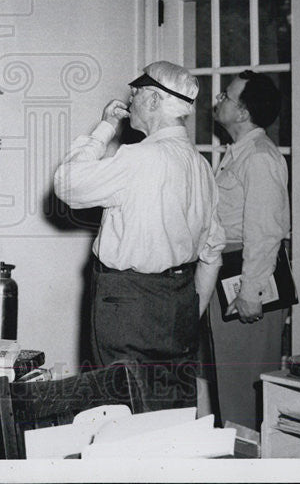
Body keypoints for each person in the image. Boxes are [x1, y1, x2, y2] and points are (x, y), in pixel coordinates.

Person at [53, 61, 225, 368]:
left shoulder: (139, 158)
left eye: (137, 91)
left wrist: (104, 128)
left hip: (128, 305)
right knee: (171, 408)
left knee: (120, 404)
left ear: (155, 100)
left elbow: (67, 185)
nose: (130, 97)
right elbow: (212, 256)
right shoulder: (201, 166)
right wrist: (187, 315)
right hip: (180, 302)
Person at [210, 70, 290, 431]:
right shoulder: (240, 154)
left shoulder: (258, 157)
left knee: (244, 392)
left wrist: (251, 293)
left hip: (247, 278)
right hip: (229, 273)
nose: (218, 100)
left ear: (243, 113)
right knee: (231, 387)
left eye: (226, 96)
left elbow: (265, 232)